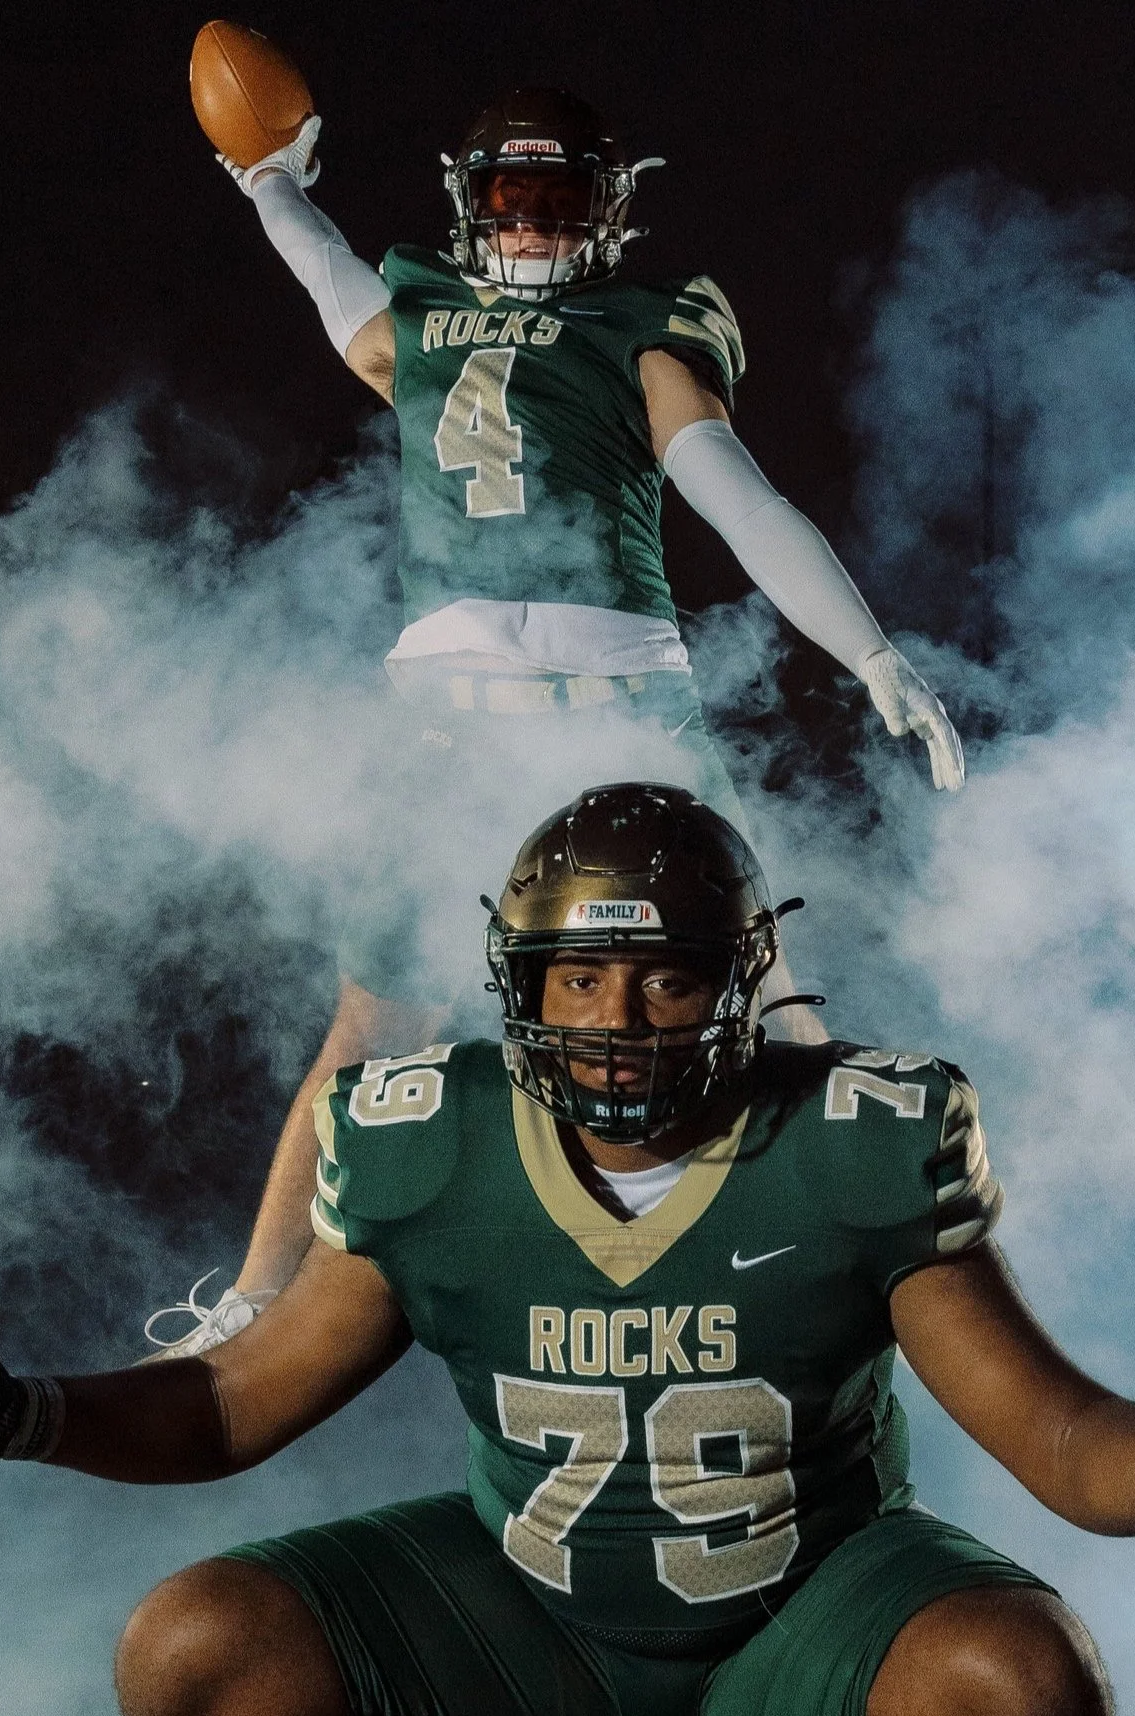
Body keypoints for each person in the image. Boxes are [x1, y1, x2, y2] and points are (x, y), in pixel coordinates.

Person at [0, 784, 1135, 1716]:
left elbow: (1063, 1443)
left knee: (1024, 1678)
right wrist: (23, 1410)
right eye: (578, 975)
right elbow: (238, 1404)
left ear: (740, 981)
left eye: (663, 978)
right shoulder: (427, 1135)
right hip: (532, 1613)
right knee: (192, 1648)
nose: (616, 1018)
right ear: (519, 984)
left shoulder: (858, 1133)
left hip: (811, 1615)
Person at [165, 85, 969, 1355]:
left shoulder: (638, 323)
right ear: (467, 198)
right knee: (376, 1030)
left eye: (557, 199)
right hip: (452, 713)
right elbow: (339, 300)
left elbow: (736, 497)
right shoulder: (425, 310)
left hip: (619, 705)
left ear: (609, 210)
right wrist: (271, 189)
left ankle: (879, 1281)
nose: (530, 222)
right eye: (508, 195)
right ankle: (252, 1308)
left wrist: (866, 649)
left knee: (765, 1003)